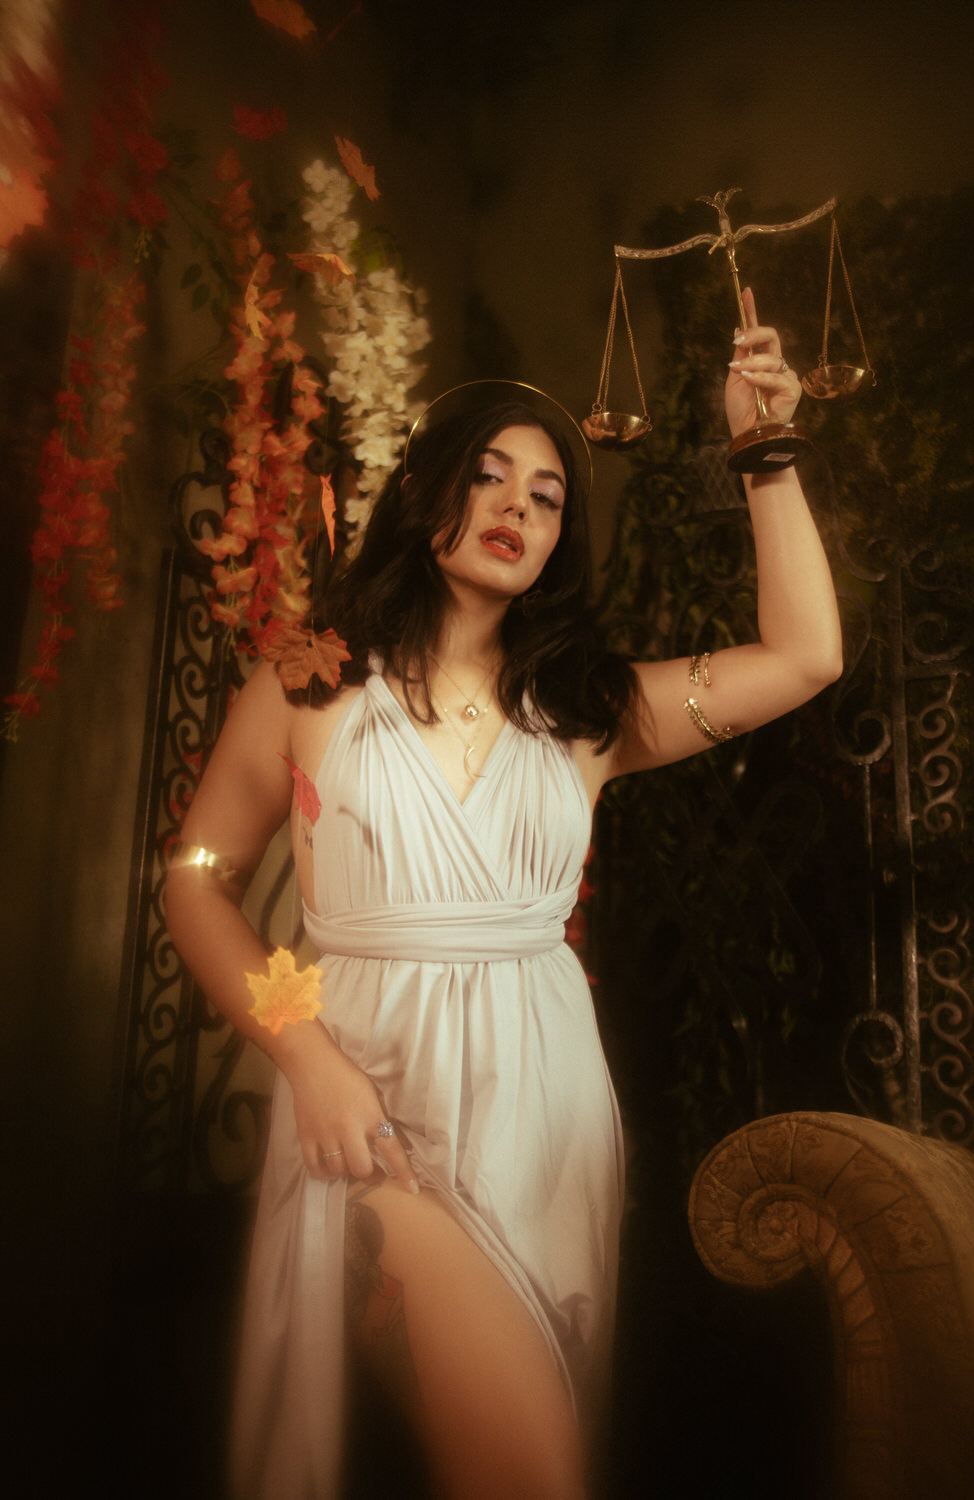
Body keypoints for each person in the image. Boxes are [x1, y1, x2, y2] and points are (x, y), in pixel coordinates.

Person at [164, 288, 843, 1500]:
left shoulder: (587, 714)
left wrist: (763, 451)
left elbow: (803, 657)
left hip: (541, 1104)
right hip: (356, 1089)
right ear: (428, 489)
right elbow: (197, 882)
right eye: (487, 476)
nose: (516, 509)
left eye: (545, 497)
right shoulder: (309, 684)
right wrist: (304, 1053)